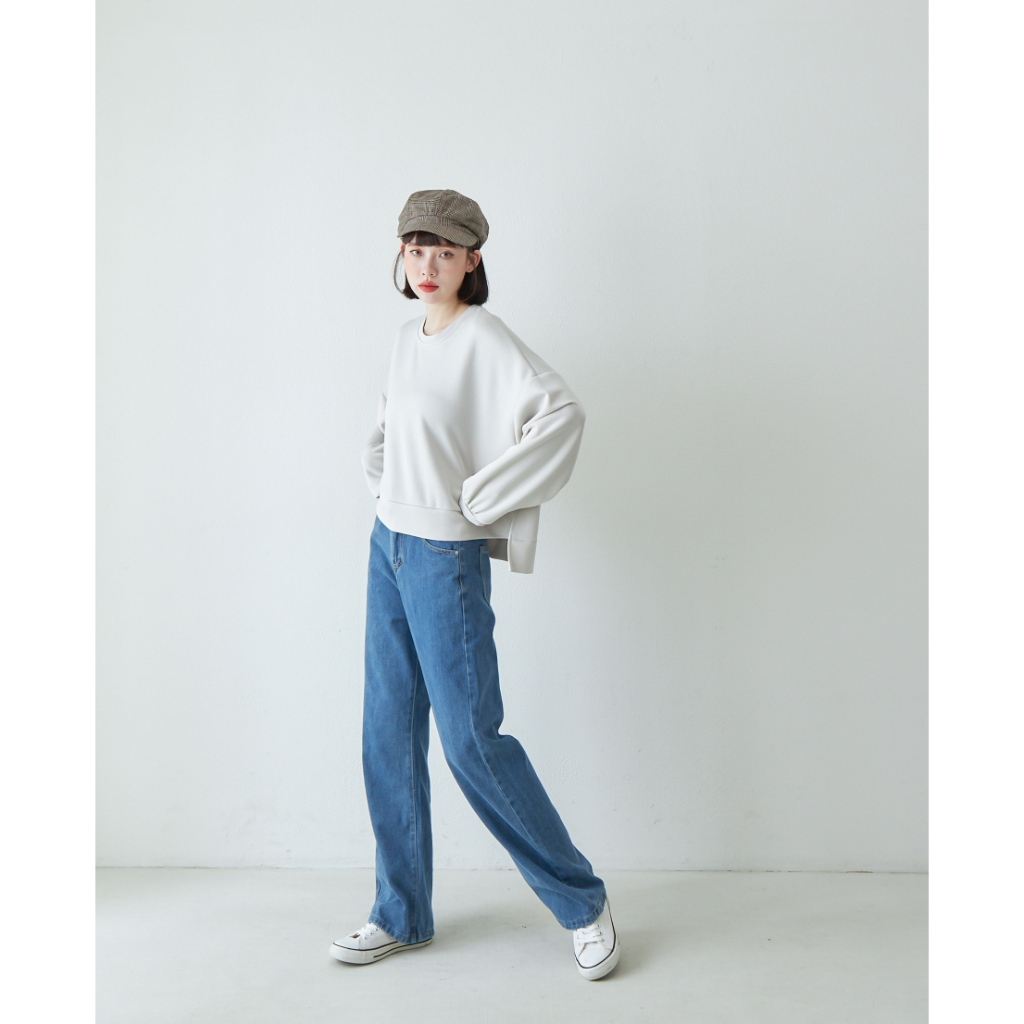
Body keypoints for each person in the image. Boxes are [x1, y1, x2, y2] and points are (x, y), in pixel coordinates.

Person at [330, 190, 619, 981]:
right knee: (386, 733)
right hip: (389, 547)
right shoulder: (406, 339)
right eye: (415, 248)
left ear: (471, 261)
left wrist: (481, 499)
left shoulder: (484, 337)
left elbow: (560, 414)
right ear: (401, 254)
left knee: (471, 742)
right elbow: (385, 434)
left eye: (445, 252)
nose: (427, 265)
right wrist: (389, 490)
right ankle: (401, 914)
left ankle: (582, 902)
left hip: (443, 558)